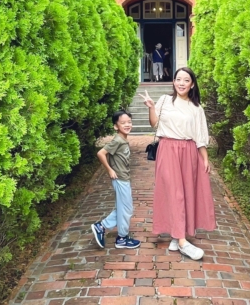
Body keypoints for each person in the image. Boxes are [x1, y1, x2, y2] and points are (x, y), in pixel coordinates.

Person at [142, 67, 215, 260]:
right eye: (178, 79)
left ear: (192, 84)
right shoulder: (165, 100)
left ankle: (177, 233)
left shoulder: (197, 108)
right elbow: (153, 123)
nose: (181, 83)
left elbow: (200, 136)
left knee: (186, 193)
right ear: (173, 82)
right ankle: (183, 242)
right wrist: (151, 106)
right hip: (167, 149)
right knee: (175, 193)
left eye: (186, 80)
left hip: (189, 152)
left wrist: (205, 159)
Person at [91, 110, 141, 250]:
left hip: (124, 178)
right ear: (115, 126)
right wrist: (110, 170)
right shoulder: (118, 140)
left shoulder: (123, 139)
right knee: (126, 209)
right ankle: (121, 238)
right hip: (120, 179)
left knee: (124, 208)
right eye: (123, 123)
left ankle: (102, 227)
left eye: (129, 122)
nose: (127, 125)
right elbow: (101, 153)